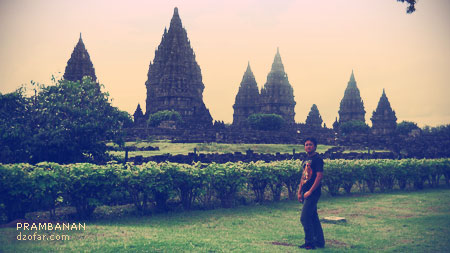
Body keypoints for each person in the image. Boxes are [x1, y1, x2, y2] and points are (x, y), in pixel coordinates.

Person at [297, 137, 325, 250]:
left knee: (304, 218)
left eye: (310, 144)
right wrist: (299, 191)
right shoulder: (306, 159)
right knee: (313, 217)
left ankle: (309, 242)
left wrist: (310, 191)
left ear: (315, 146)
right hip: (305, 192)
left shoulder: (317, 159)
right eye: (306, 144)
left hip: (313, 193)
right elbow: (303, 176)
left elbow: (319, 176)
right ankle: (319, 241)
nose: (308, 146)